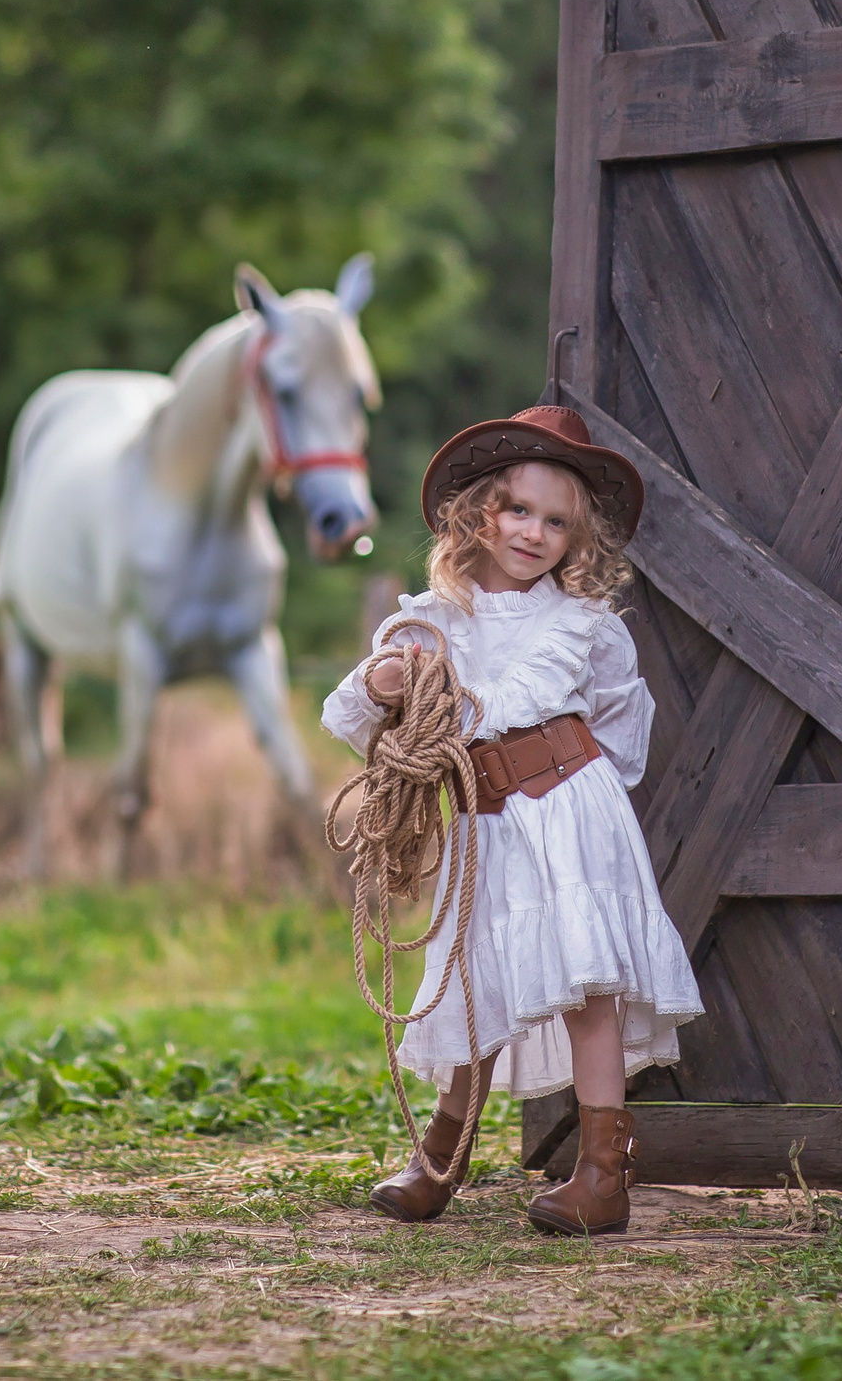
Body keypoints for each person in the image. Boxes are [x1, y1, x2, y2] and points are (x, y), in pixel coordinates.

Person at [321, 405, 703, 1235]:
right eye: (517, 509)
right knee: (471, 984)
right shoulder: (432, 616)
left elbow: (617, 726)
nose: (533, 532)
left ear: (578, 539)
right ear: (477, 512)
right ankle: (439, 1161)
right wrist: (391, 683)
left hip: (564, 810)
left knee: (586, 984)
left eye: (556, 521)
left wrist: (572, 794)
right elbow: (355, 714)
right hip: (484, 824)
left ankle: (603, 1176)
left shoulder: (581, 623)